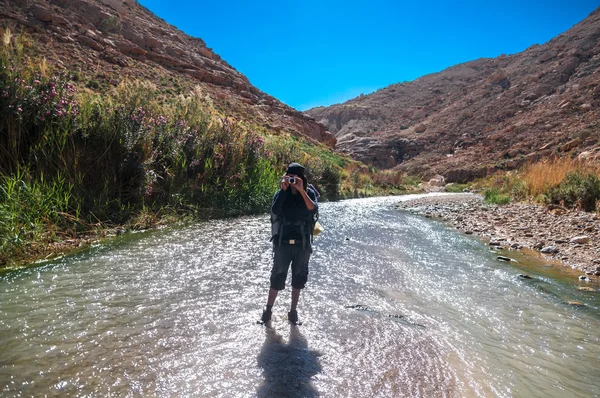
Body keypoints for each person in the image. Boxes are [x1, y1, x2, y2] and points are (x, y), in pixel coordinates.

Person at [261, 162, 318, 325]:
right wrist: (284, 190)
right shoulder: (281, 193)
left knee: (298, 279)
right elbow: (276, 210)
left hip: (302, 243)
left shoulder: (309, 193)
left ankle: (293, 312)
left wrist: (301, 190)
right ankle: (267, 312)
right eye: (290, 177)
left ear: (302, 179)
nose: (293, 181)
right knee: (277, 276)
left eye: (296, 178)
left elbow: (312, 209)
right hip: (283, 243)